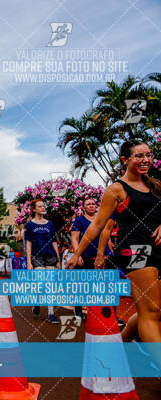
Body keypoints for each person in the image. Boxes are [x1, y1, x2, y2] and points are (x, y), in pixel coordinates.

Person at [68, 140, 161, 365]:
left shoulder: (156, 185)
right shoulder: (116, 190)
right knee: (151, 311)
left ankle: (119, 343)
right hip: (135, 250)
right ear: (125, 160)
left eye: (148, 155)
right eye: (139, 156)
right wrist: (77, 253)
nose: (146, 159)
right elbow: (98, 225)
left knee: (151, 308)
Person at [69, 198, 114, 320]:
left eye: (93, 204)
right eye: (88, 204)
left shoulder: (102, 219)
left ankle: (112, 315)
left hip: (103, 256)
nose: (91, 206)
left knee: (108, 286)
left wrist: (110, 252)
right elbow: (75, 239)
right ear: (83, 207)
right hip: (86, 257)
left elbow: (107, 236)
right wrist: (77, 255)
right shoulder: (79, 221)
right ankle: (78, 311)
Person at [25, 199, 61, 324]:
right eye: (40, 206)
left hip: (50, 256)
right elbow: (28, 243)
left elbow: (54, 242)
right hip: (37, 257)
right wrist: (29, 261)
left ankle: (51, 314)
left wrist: (58, 259)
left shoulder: (49, 224)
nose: (43, 208)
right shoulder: (29, 225)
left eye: (43, 206)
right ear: (34, 209)